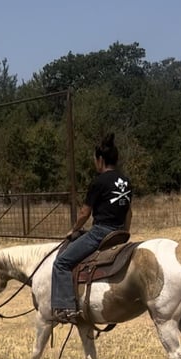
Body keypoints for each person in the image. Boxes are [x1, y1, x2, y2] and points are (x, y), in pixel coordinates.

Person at [51, 132, 133, 324]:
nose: (95, 163)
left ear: (101, 160)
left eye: (95, 159)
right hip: (119, 232)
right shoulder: (126, 181)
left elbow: (84, 213)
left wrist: (73, 230)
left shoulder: (99, 182)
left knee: (61, 263)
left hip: (100, 233)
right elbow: (129, 213)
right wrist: (125, 234)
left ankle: (67, 309)